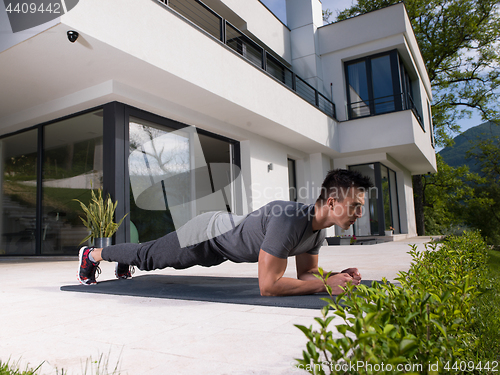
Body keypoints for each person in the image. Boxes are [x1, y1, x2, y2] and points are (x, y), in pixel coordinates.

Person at [77, 169, 372, 296]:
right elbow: (268, 287)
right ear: (332, 202)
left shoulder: (318, 231)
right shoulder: (290, 220)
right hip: (206, 235)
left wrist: (333, 276)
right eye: (355, 206)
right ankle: (93, 253)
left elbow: (307, 275)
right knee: (149, 257)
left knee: (149, 253)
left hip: (223, 242)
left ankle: (123, 258)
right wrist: (325, 286)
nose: (360, 213)